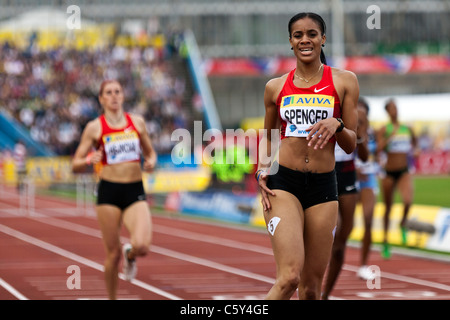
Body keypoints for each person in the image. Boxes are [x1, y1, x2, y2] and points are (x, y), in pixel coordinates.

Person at [256, 12, 359, 300]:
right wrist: (262, 169)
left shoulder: (344, 82)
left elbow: (351, 143)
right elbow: (269, 138)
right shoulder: (275, 87)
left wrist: (337, 125)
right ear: (290, 41)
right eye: (298, 35)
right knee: (289, 277)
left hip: (324, 187)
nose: (305, 40)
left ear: (322, 39)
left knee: (311, 290)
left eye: (312, 34)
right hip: (283, 184)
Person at [72, 79, 157, 299]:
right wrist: (91, 158)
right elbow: (75, 163)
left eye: (117, 91)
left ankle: (132, 255)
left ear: (123, 95)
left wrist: (150, 162)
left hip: (134, 190)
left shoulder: (137, 123)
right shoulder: (95, 127)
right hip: (108, 192)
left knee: (143, 245)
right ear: (101, 99)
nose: (114, 96)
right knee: (112, 254)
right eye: (108, 93)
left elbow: (150, 153)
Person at [377, 99, 417, 259]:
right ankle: (386, 242)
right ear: (387, 111)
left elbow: (415, 143)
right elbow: (379, 148)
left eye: (396, 108)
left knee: (408, 201)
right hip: (388, 172)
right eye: (392, 108)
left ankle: (402, 224)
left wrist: (416, 149)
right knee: (388, 208)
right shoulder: (383, 129)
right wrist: (389, 137)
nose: (395, 111)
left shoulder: (407, 128)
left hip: (404, 170)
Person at [354, 98, 379, 280]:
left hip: (368, 179)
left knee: (368, 221)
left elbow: (377, 154)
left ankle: (363, 265)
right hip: (349, 177)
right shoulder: (347, 129)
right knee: (338, 226)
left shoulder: (374, 132)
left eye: (363, 110)